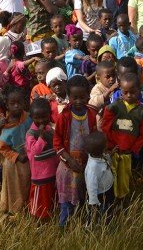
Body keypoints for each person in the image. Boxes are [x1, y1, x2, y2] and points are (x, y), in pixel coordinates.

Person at [53, 76, 97, 227]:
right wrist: (69, 160)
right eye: (74, 97)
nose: (78, 101)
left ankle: (84, 225)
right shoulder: (64, 116)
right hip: (67, 165)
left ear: (88, 95)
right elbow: (57, 142)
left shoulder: (91, 115)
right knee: (66, 200)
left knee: (84, 195)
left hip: (86, 164)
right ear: (69, 96)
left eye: (82, 97)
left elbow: (94, 137)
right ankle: (63, 227)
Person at [100, 73, 143, 200]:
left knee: (124, 178)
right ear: (120, 90)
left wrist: (134, 149)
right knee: (110, 178)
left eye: (133, 92)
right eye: (125, 92)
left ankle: (123, 202)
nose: (129, 95)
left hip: (128, 153)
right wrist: (110, 145)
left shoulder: (142, 110)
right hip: (113, 151)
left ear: (139, 90)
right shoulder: (114, 106)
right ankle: (110, 202)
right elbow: (105, 127)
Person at [0, 88, 32, 215]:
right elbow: (2, 148)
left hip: (29, 159)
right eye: (13, 104)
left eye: (19, 102)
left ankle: (27, 208)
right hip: (14, 164)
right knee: (14, 188)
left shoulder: (28, 118)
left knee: (27, 185)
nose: (17, 106)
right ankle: (15, 210)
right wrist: (17, 156)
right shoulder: (6, 125)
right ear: (7, 105)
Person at [24, 98, 57, 221]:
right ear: (31, 117)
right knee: (38, 201)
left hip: (52, 171)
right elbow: (34, 152)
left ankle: (49, 217)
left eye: (44, 117)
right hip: (39, 176)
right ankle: (36, 219)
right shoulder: (31, 133)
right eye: (37, 118)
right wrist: (41, 137)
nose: (41, 120)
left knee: (49, 198)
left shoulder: (49, 129)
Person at [83, 132, 114, 220]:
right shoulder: (93, 168)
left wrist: (110, 155)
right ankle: (94, 225)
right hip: (100, 194)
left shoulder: (98, 156)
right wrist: (93, 202)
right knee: (101, 211)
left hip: (107, 189)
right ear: (103, 149)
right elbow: (91, 187)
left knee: (108, 206)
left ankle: (107, 217)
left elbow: (105, 161)